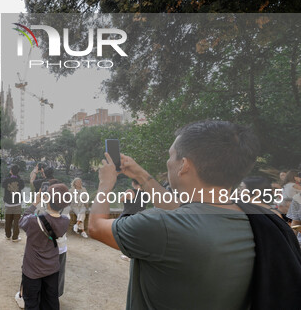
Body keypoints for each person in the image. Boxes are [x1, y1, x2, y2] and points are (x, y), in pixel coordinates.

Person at [88, 120, 301, 309]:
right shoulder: (260, 218)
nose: (168, 162)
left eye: (171, 156)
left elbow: (96, 227)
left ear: (184, 165)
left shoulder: (160, 225)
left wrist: (105, 185)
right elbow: (182, 212)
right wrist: (141, 175)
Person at [18, 183, 70, 310]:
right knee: (50, 301)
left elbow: (21, 221)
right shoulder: (65, 220)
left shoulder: (33, 221)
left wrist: (35, 203)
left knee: (31, 303)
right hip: (52, 268)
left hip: (32, 270)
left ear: (47, 198)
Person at [2, 165, 25, 242]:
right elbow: (22, 187)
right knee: (16, 222)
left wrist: (10, 175)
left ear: (11, 171)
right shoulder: (20, 181)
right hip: (17, 204)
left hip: (8, 204)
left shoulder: (6, 180)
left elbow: (3, 185)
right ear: (18, 172)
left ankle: (8, 235)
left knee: (8, 221)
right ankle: (15, 237)